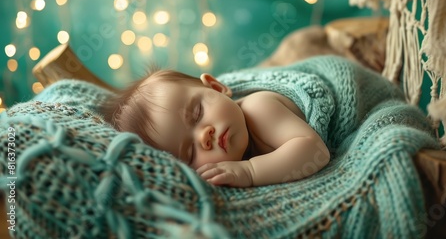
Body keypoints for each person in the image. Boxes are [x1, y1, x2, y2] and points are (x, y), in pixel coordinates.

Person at [102, 55, 411, 187]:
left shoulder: (259, 109)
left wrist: (250, 170)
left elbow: (314, 150)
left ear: (216, 87)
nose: (205, 136)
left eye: (197, 114)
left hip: (359, 94)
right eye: (190, 153)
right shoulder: (229, 140)